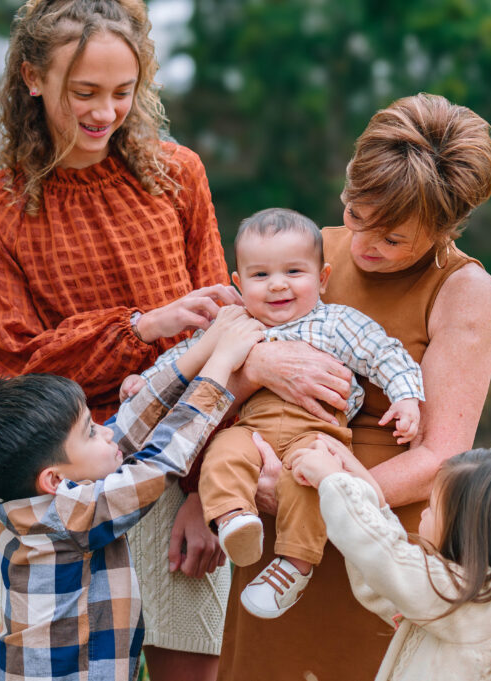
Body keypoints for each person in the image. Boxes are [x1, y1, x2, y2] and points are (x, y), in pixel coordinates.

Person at [0, 1, 236, 678]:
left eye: (123, 92)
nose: (105, 112)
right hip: (69, 486)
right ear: (32, 77)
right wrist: (142, 325)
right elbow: (17, 362)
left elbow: (230, 335)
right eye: (84, 92)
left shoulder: (178, 175)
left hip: (186, 458)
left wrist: (210, 492)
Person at [217, 93, 491, 679]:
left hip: (378, 543)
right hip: (273, 520)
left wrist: (329, 502)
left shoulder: (465, 289)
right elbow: (223, 372)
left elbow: (441, 455)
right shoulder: (304, 254)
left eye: (393, 238)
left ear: (446, 227)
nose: (366, 245)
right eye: (355, 215)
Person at [127, 207, 423, 619]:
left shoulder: (335, 322)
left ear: (322, 278)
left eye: (294, 272)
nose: (277, 286)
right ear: (238, 283)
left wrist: (406, 397)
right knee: (223, 453)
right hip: (252, 430)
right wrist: (146, 380)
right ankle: (233, 519)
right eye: (260, 275)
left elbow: (384, 353)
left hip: (317, 431)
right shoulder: (236, 324)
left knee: (311, 478)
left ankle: (294, 566)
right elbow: (187, 357)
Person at [0, 307, 263, 681]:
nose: (105, 431)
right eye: (89, 431)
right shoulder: (69, 515)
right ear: (53, 479)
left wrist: (204, 349)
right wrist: (222, 365)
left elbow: (130, 422)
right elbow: (160, 461)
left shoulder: (25, 499)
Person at [289, 438, 491, 681]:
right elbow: (384, 583)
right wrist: (369, 495)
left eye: (432, 507)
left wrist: (333, 481)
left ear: (468, 533)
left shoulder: (473, 605)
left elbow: (387, 561)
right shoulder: (476, 606)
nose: (424, 513)